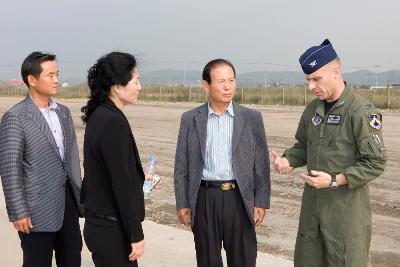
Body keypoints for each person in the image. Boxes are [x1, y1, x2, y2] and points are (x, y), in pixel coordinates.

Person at [272, 39, 388, 267]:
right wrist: (288, 160)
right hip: (312, 210)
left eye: (316, 79)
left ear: (336, 72)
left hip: (346, 212)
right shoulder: (312, 109)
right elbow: (303, 146)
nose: (311, 87)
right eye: (308, 80)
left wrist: (335, 180)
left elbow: (376, 162)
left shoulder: (360, 111)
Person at [174, 58, 270, 267]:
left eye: (231, 80)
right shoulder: (191, 118)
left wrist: (261, 200)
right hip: (205, 198)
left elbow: (261, 164)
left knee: (244, 259)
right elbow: (181, 165)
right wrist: (182, 203)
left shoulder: (251, 118)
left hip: (240, 198)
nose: (227, 87)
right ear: (206, 85)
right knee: (207, 260)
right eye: (220, 81)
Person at [0, 52, 82, 267]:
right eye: (50, 75)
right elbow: (10, 168)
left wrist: (80, 196)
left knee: (72, 259)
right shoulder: (16, 117)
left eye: (57, 74)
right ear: (32, 80)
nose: (56, 80)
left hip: (68, 204)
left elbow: (71, 157)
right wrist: (18, 211)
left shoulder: (63, 112)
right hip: (35, 210)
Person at [80, 52, 145, 266]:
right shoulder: (113, 121)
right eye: (135, 81)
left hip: (100, 225)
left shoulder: (99, 114)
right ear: (117, 86)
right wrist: (136, 234)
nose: (139, 87)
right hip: (111, 231)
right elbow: (121, 183)